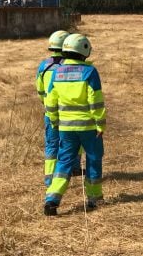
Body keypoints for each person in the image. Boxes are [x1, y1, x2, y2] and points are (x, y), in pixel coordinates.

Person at [43, 33, 106, 216]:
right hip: (89, 128)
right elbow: (96, 101)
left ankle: (52, 198)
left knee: (63, 162)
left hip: (65, 128)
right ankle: (93, 198)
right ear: (84, 51)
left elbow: (50, 101)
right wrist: (100, 124)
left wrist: (55, 121)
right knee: (94, 160)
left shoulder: (57, 72)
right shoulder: (90, 72)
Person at [36, 30, 68, 187]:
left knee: (51, 144)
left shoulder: (44, 66)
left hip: (50, 112)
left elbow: (40, 90)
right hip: (68, 112)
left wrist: (46, 103)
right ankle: (73, 169)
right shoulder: (69, 66)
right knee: (72, 143)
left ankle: (49, 178)